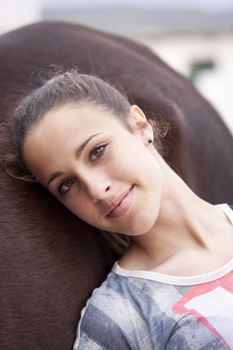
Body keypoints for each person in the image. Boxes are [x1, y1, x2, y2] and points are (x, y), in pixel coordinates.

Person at [6, 70, 233, 349]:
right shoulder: (119, 318)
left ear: (139, 125)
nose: (96, 189)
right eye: (66, 185)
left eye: (97, 151)